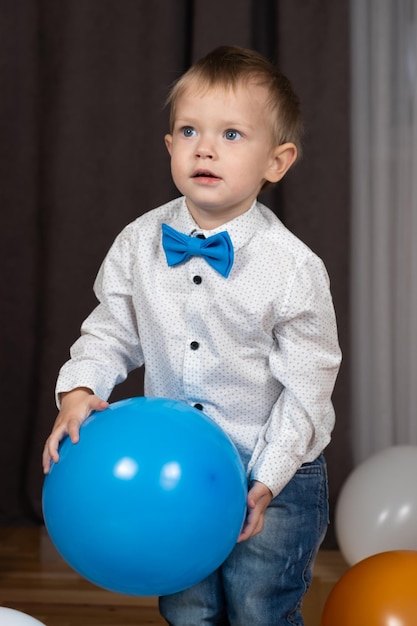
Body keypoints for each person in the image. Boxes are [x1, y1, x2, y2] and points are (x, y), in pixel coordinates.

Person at [43, 45, 341, 626]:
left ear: (276, 162)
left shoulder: (294, 268)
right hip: (171, 472)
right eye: (189, 130)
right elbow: (110, 329)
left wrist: (268, 478)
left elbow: (308, 387)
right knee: (187, 606)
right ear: (170, 148)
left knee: (261, 608)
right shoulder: (138, 241)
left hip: (271, 465)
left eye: (232, 135)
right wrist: (78, 389)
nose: (205, 147)